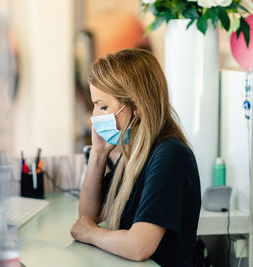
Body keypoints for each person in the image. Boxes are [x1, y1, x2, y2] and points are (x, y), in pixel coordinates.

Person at [70, 48, 201, 267]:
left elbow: (139, 246)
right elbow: (88, 215)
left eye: (103, 106)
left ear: (136, 106)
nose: (94, 117)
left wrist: (92, 234)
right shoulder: (136, 152)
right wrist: (99, 153)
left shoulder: (169, 155)